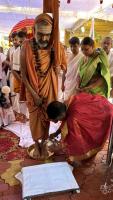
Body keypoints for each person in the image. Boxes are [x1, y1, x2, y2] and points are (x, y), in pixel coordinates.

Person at [20, 13, 67, 158]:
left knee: (47, 119)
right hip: (32, 92)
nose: (44, 38)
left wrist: (60, 68)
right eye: (40, 34)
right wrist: (34, 94)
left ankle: (43, 143)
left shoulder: (57, 47)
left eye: (47, 35)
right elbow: (23, 75)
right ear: (34, 30)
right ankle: (38, 145)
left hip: (49, 90)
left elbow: (64, 67)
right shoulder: (26, 46)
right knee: (35, 122)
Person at [47, 92, 113, 164]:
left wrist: (58, 147)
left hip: (106, 114)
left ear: (61, 115)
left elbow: (74, 140)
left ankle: (88, 158)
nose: (56, 121)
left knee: (89, 138)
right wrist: (56, 133)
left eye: (57, 119)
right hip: (103, 104)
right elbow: (65, 120)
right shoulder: (70, 101)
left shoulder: (74, 119)